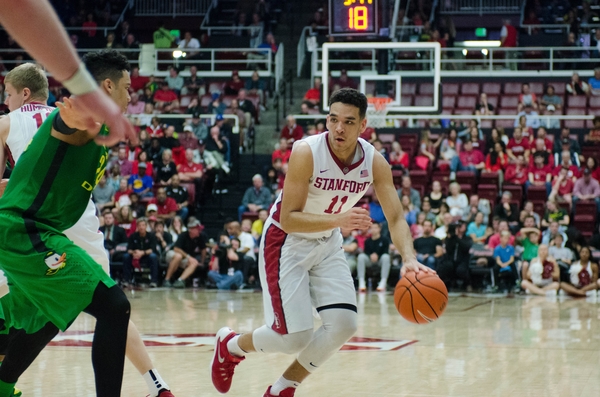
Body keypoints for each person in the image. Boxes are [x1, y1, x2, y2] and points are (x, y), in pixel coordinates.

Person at [210, 88, 431, 397]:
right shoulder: (306, 152)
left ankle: (283, 387)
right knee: (293, 338)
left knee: (344, 324)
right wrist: (339, 220)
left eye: (349, 122)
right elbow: (289, 218)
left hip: (327, 241)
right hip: (286, 241)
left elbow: (395, 217)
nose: (339, 128)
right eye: (333, 119)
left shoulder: (374, 162)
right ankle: (230, 345)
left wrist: (408, 258)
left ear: (363, 126)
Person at [0, 49, 173, 397]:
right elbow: (68, 124)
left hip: (42, 230)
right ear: (107, 86)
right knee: (114, 306)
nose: (130, 95)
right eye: (126, 87)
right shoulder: (81, 114)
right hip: (27, 231)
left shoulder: (102, 123)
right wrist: (81, 115)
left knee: (46, 315)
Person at [164, 217, 207, 288]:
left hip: (184, 258)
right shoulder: (183, 235)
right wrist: (189, 257)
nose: (200, 230)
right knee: (178, 256)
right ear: (192, 229)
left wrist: (202, 262)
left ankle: (180, 280)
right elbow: (176, 249)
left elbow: (203, 249)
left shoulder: (200, 236)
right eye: (198, 229)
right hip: (172, 254)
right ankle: (166, 279)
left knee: (194, 262)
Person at [122, 218, 159, 288]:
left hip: (146, 256)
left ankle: (154, 281)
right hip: (135, 255)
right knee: (126, 256)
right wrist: (134, 253)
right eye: (139, 225)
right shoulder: (133, 236)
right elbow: (128, 249)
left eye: (143, 225)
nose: (141, 227)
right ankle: (126, 280)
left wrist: (142, 253)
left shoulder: (151, 236)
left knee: (153, 256)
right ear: (137, 227)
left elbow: (152, 249)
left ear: (146, 226)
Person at [357, 222, 391, 292]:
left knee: (386, 257)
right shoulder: (367, 241)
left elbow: (386, 251)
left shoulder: (385, 240)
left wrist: (377, 255)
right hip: (370, 261)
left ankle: (383, 282)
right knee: (361, 257)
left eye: (375, 228)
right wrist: (370, 256)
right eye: (372, 228)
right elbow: (366, 252)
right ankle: (361, 281)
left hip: (380, 261)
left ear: (379, 229)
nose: (374, 230)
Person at [438, 222, 473, 291]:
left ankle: (467, 284)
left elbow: (466, 247)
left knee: (461, 270)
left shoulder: (467, 238)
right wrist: (451, 237)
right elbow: (448, 249)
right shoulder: (450, 239)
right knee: (447, 266)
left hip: (462, 261)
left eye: (460, 226)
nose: (458, 228)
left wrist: (457, 238)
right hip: (451, 260)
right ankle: (446, 285)